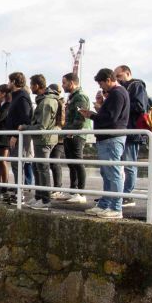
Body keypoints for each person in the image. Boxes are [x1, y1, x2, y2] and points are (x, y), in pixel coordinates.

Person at [80, 68, 129, 219]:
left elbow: (112, 118)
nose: (101, 87)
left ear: (108, 80)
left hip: (112, 138)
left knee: (113, 173)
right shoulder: (116, 94)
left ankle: (115, 208)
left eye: (101, 84)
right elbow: (111, 115)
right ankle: (105, 204)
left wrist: (93, 115)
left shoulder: (117, 93)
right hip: (107, 138)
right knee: (107, 173)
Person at [19, 75, 59, 210]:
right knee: (38, 168)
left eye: (31, 85)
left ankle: (45, 199)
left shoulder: (46, 102)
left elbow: (42, 127)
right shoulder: (45, 100)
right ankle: (39, 197)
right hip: (42, 139)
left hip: (44, 140)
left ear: (37, 85)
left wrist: (25, 127)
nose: (30, 87)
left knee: (42, 168)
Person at [114, 65, 149, 208]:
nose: (117, 80)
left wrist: (123, 103)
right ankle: (119, 194)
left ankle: (127, 195)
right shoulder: (124, 88)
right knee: (120, 165)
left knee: (129, 165)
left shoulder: (137, 86)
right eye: (116, 77)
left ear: (128, 73)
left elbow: (140, 106)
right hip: (125, 130)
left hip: (133, 131)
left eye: (119, 76)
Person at [60, 72, 92, 204]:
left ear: (72, 83)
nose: (63, 86)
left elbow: (80, 117)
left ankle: (81, 192)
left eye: (64, 83)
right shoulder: (73, 97)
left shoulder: (80, 97)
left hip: (76, 134)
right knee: (72, 163)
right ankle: (73, 190)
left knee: (77, 162)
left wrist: (72, 131)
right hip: (69, 133)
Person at [6, 72, 34, 203]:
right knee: (15, 165)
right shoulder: (16, 96)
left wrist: (15, 136)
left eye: (9, 81)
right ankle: (18, 192)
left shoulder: (22, 97)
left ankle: (20, 194)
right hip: (14, 135)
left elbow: (25, 119)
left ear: (14, 82)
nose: (7, 84)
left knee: (18, 164)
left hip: (19, 136)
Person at [47, 83, 67, 199]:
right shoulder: (59, 102)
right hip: (56, 136)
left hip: (59, 138)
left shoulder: (59, 103)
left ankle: (58, 188)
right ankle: (56, 188)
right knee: (53, 163)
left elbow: (62, 121)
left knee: (55, 163)